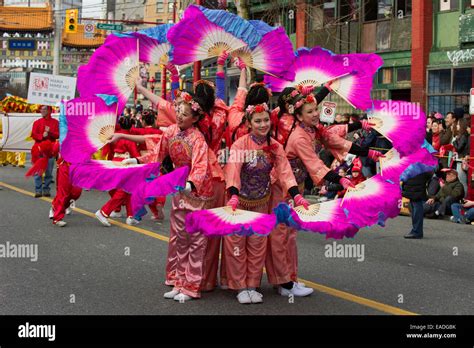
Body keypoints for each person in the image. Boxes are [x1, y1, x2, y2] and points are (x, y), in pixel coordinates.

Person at [111, 92, 216, 302]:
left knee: (196, 241)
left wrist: (191, 183)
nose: (179, 116)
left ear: (195, 118)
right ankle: (178, 283)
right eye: (178, 111)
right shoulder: (170, 132)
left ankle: (191, 286)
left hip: (198, 192)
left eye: (184, 114)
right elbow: (157, 155)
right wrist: (136, 160)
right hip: (179, 188)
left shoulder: (198, 138)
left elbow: (201, 165)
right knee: (179, 238)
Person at [224, 101, 310, 304]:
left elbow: (285, 172)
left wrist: (296, 195)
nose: (262, 125)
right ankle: (240, 287)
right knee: (237, 245)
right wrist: (234, 193)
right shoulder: (240, 144)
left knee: (257, 245)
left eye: (265, 121)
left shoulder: (275, 147)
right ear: (249, 123)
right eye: (258, 121)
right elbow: (233, 169)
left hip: (261, 203)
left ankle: (252, 286)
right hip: (239, 202)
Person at [95, 116, 141, 226]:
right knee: (124, 190)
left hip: (115, 162)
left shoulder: (114, 135)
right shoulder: (128, 138)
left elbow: (109, 150)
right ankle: (104, 212)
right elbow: (136, 154)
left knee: (129, 190)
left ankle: (131, 216)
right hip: (125, 164)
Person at [30, 105, 59, 197]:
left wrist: (50, 133)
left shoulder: (55, 122)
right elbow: (34, 135)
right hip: (39, 150)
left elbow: (58, 135)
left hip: (50, 150)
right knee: (38, 171)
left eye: (44, 109)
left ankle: (46, 189)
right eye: (41, 109)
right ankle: (38, 190)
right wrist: (42, 136)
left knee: (49, 171)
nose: (42, 111)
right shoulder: (37, 122)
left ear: (50, 110)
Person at [401, 170, 433, 239]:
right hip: (415, 184)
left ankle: (417, 231)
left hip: (416, 184)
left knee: (416, 207)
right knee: (414, 206)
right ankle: (416, 231)